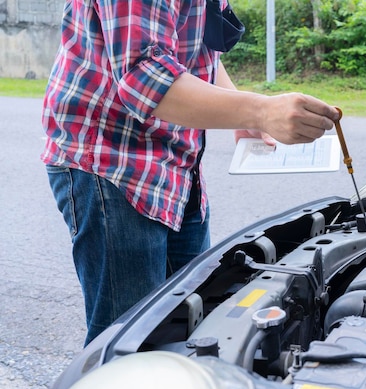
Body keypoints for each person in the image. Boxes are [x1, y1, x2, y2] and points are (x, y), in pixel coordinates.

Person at [42, 0, 340, 345]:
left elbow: (202, 42)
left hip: (177, 166)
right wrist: (259, 111)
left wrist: (241, 108)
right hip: (113, 163)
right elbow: (144, 75)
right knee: (127, 342)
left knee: (191, 326)